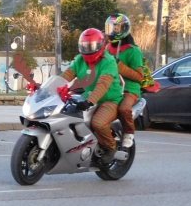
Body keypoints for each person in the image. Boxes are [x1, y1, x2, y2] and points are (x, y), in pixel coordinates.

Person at [59, 28, 123, 164]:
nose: (88, 50)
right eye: (85, 46)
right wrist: (53, 88)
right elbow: (66, 75)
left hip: (110, 100)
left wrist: (90, 101)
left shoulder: (108, 61)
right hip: (88, 97)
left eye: (91, 46)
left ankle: (111, 148)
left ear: (100, 45)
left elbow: (103, 85)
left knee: (98, 123)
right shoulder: (79, 60)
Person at [105, 13, 144, 148]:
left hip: (129, 89)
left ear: (124, 29)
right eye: (110, 28)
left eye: (116, 28)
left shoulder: (133, 51)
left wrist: (120, 67)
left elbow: (139, 77)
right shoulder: (108, 47)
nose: (112, 31)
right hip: (112, 87)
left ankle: (128, 133)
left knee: (123, 109)